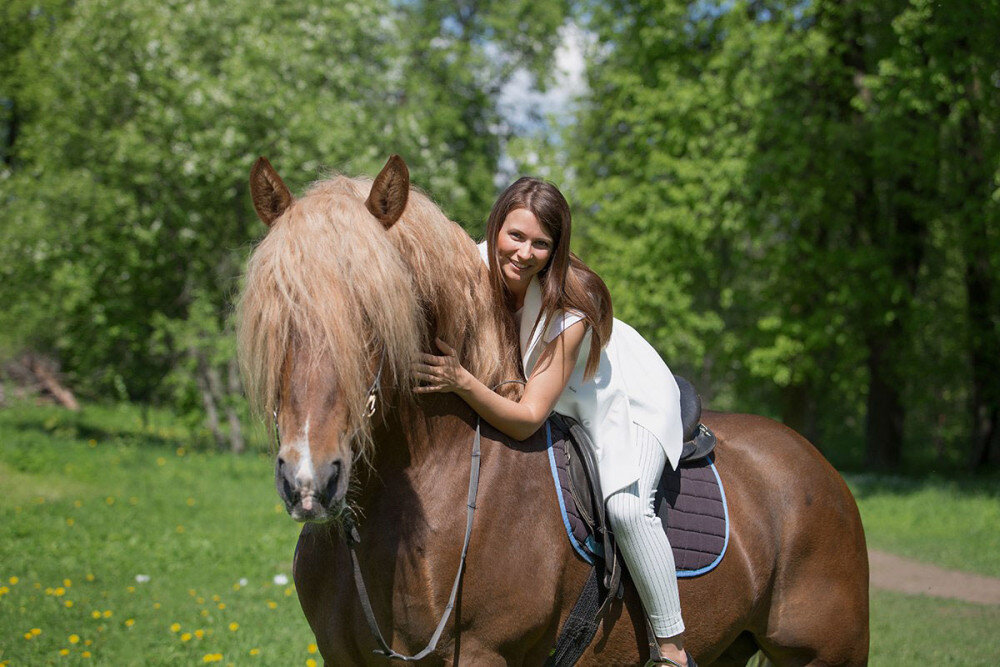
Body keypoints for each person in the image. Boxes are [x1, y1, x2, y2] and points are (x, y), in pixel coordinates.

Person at [413, 177, 692, 667]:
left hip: (622, 397)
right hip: (554, 394)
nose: (523, 253)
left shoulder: (572, 309)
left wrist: (461, 380)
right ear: (496, 225)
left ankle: (671, 647)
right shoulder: (471, 264)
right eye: (515, 236)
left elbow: (525, 420)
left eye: (541, 244)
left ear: (556, 250)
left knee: (628, 508)